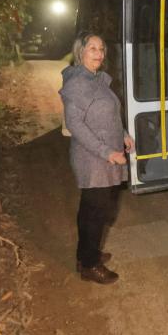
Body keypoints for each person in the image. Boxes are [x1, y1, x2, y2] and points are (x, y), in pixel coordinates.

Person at [59, 32, 134, 284]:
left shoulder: (97, 80)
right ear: (80, 52)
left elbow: (110, 115)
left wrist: (123, 134)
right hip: (93, 159)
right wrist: (107, 152)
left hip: (106, 156)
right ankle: (90, 266)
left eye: (101, 48)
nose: (99, 53)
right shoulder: (78, 84)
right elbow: (75, 125)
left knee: (92, 210)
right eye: (92, 48)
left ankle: (86, 254)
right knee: (97, 212)